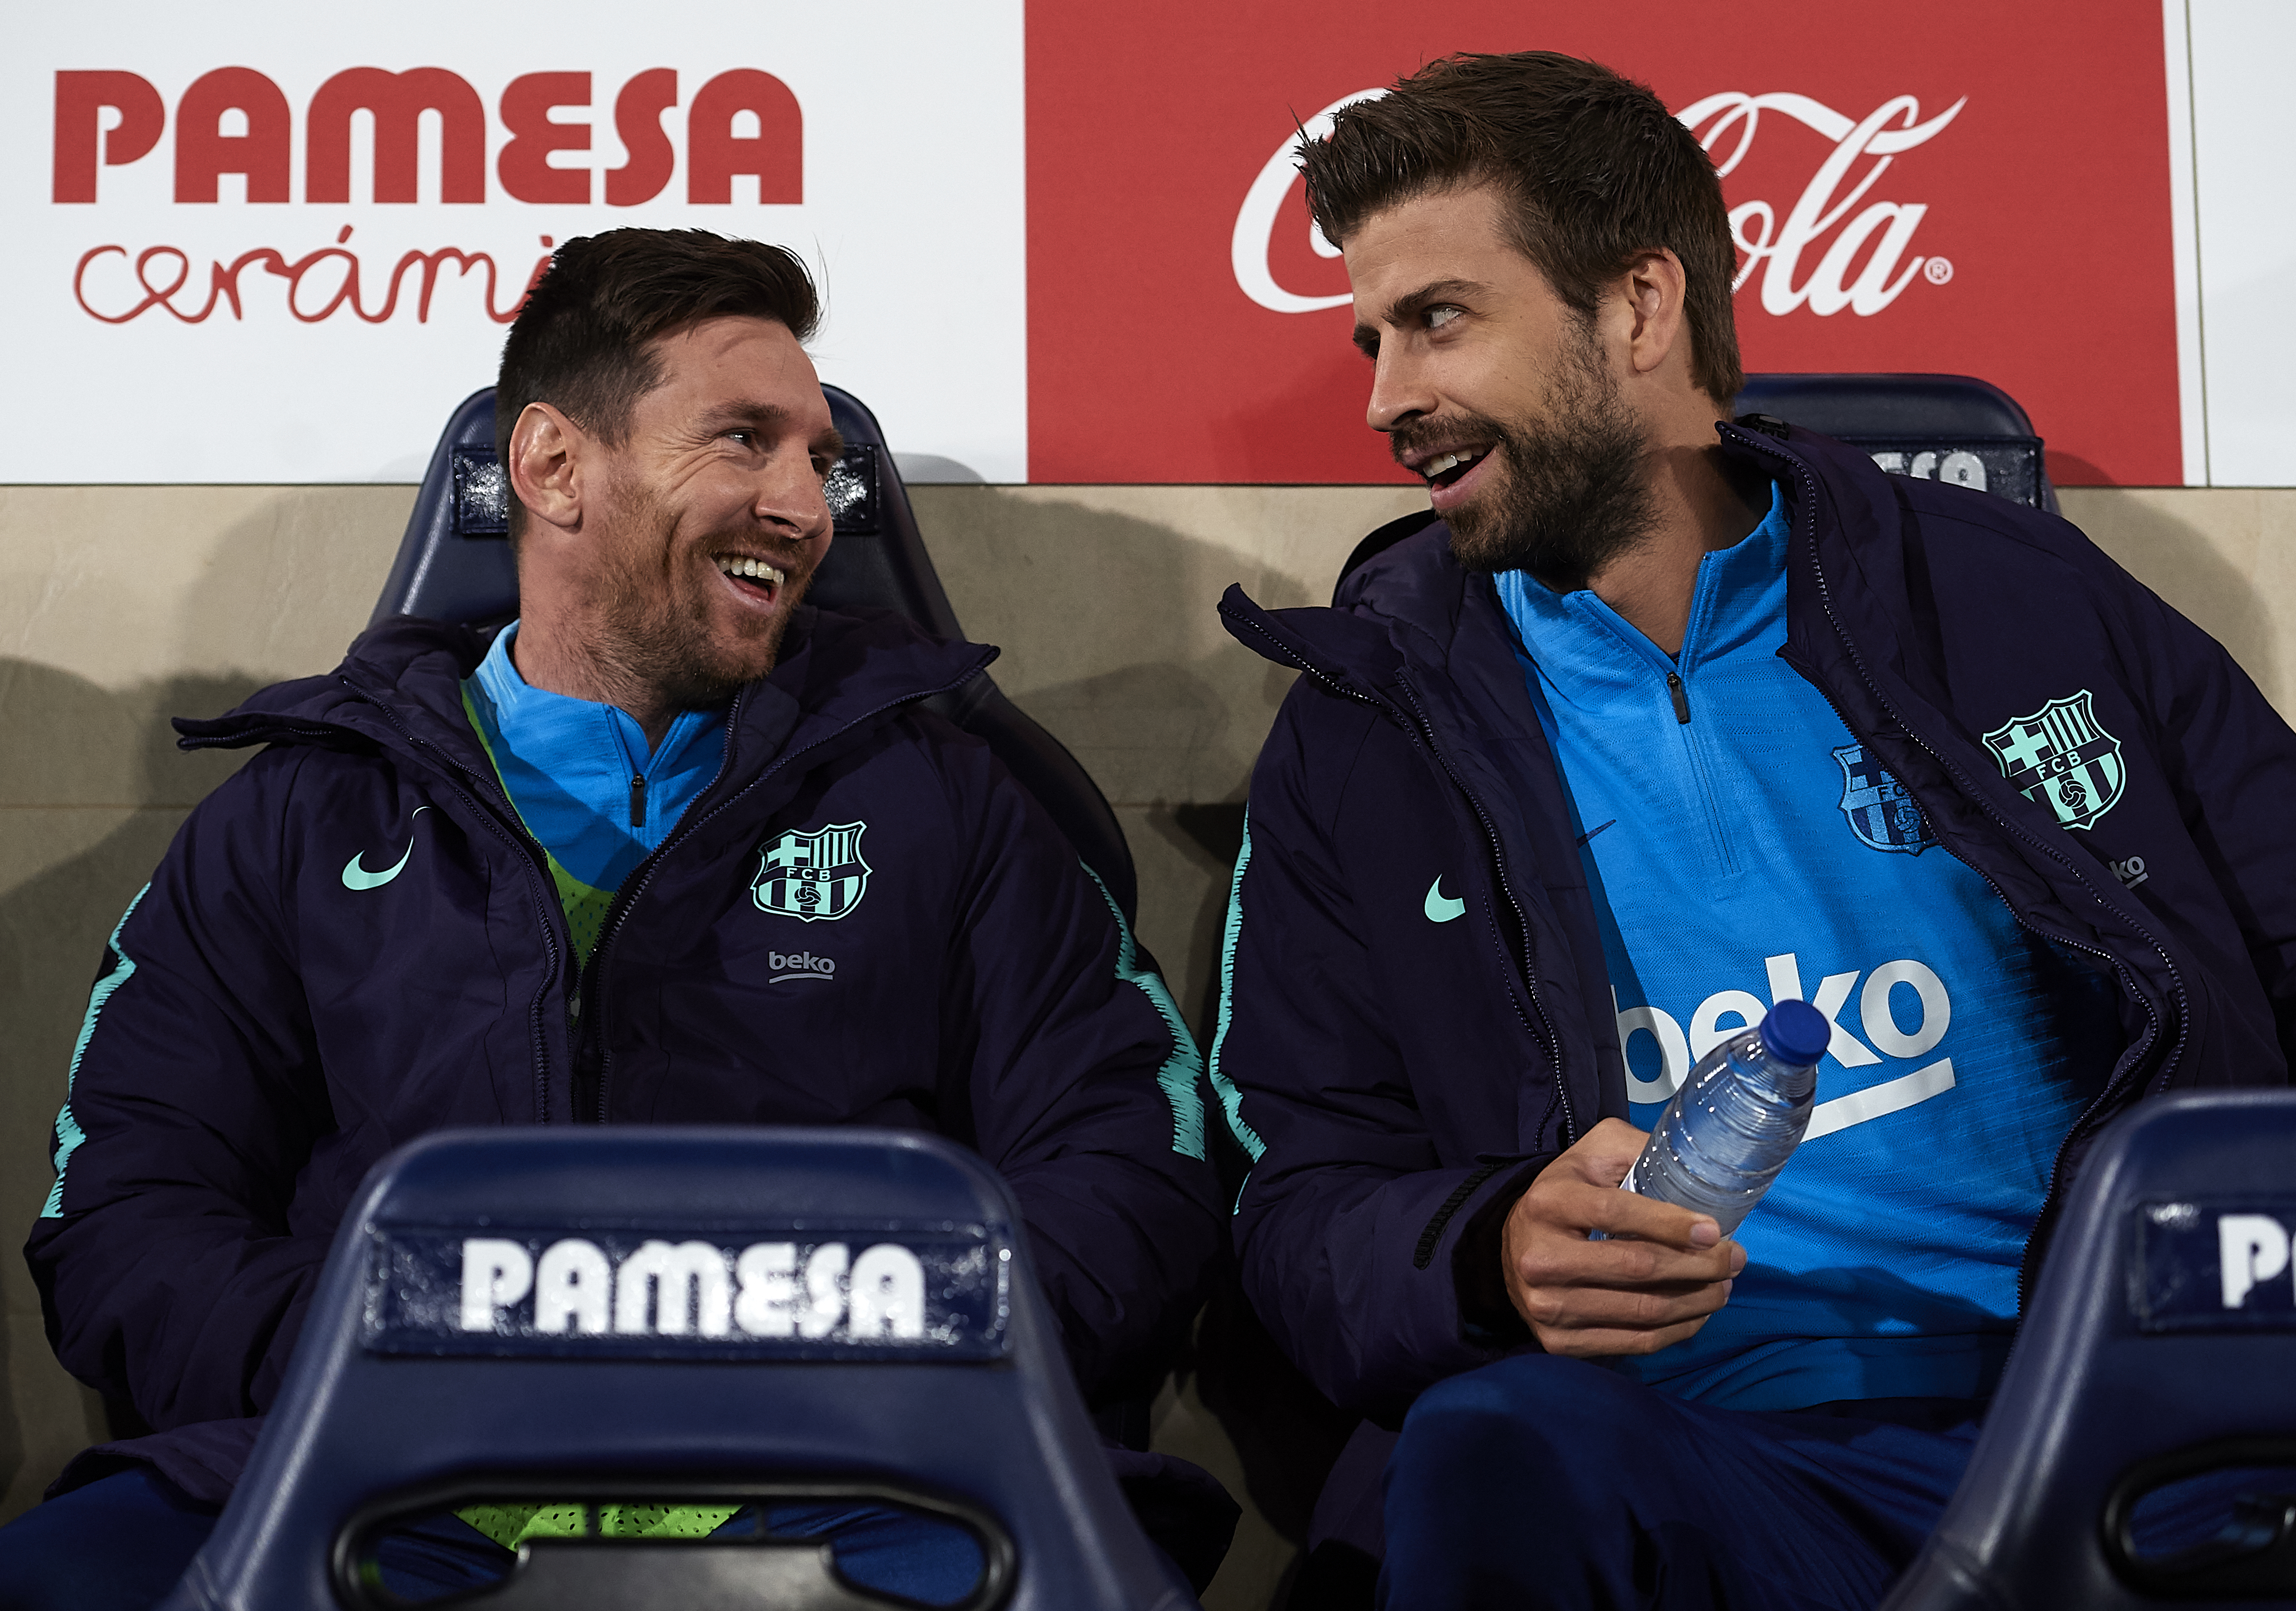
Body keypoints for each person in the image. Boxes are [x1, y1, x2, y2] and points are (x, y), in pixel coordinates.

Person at [1208, 51, 2296, 1609]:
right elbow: (1299, 1196)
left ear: (1640, 309)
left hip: (2112, 1410)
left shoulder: (2013, 599)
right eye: (1373, 338)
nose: (1387, 398)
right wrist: (1485, 1245)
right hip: (1682, 1452)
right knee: (1496, 1447)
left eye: (1441, 318)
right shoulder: (1363, 733)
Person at [7, 229, 1227, 1609]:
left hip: (860, 1484)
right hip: (377, 1484)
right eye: (742, 440)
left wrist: (860, 1345)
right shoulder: (293, 819)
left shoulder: (952, 801)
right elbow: (126, 1209)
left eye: (814, 458)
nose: (807, 504)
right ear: (549, 467)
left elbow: (1135, 1162)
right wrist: (389, 1355)